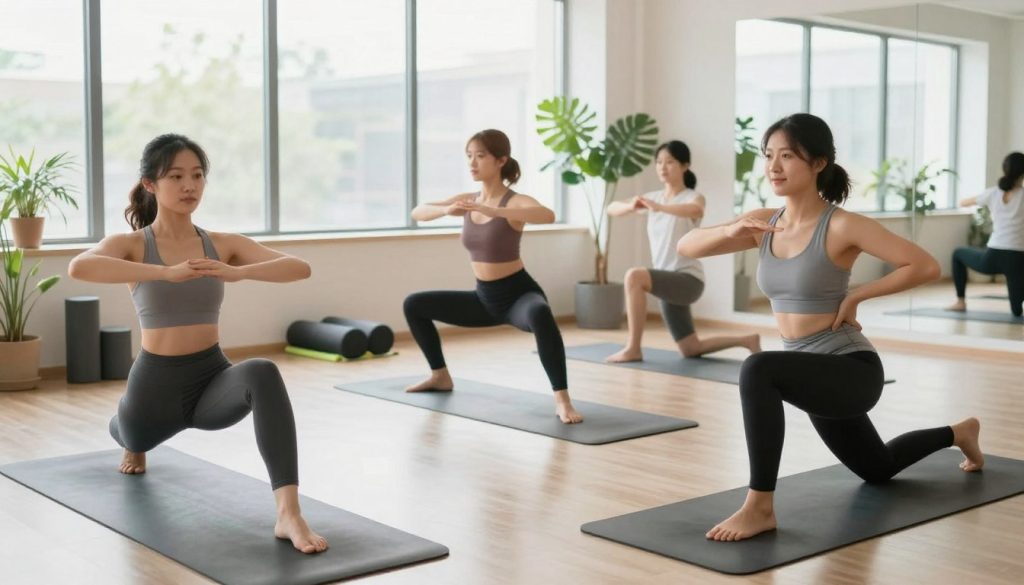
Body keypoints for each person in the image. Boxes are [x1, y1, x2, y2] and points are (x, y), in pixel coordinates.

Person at [677, 113, 984, 542]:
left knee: (757, 369)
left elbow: (925, 265)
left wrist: (857, 295)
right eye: (769, 156)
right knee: (876, 468)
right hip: (810, 373)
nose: (774, 166)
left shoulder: (840, 224)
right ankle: (959, 432)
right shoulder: (763, 222)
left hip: (850, 369)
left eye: (788, 155)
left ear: (819, 163)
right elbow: (685, 245)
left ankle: (759, 506)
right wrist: (733, 228)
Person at [68, 134, 327, 554]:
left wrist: (240, 273)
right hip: (152, 390)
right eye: (176, 176)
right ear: (151, 184)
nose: (190, 186)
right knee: (127, 430)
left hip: (211, 379)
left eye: (197, 175)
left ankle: (288, 513)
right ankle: (129, 439)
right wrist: (164, 273)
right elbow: (80, 266)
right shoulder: (133, 246)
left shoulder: (220, 244)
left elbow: (300, 268)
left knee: (262, 370)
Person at [403, 129, 583, 424]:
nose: (472, 163)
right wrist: (447, 209)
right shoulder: (467, 200)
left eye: (480, 156)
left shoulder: (514, 202)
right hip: (484, 298)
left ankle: (562, 400)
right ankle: (440, 376)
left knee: (539, 313)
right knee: (415, 304)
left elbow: (546, 214)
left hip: (518, 296)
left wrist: (495, 212)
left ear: (501, 160)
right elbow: (418, 212)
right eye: (469, 156)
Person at [605, 140, 760, 363]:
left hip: (688, 280)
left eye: (670, 162)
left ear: (685, 165)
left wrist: (659, 207)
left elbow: (695, 209)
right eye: (659, 162)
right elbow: (611, 208)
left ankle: (633, 348)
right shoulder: (653, 198)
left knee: (634, 276)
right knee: (690, 348)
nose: (662, 167)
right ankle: (747, 340)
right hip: (668, 282)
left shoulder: (692, 197)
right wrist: (632, 206)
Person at [947, 151, 1024, 317]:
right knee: (1016, 311)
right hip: (1017, 260)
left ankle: (960, 301)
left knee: (958, 254)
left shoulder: (993, 193)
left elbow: (963, 202)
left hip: (993, 257)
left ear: (1005, 170)